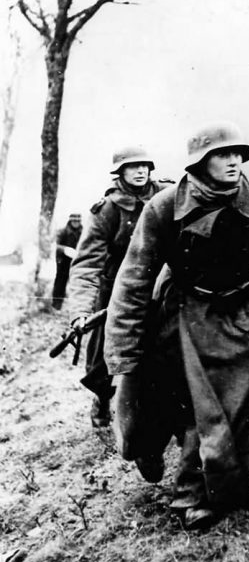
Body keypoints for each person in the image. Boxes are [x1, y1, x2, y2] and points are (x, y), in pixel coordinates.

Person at [104, 121, 249, 530]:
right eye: (223, 154)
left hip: (241, 316)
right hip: (183, 313)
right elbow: (134, 279)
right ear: (200, 162)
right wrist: (124, 349)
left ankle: (206, 491)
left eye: (238, 153)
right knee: (169, 409)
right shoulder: (164, 207)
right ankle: (166, 465)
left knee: (230, 411)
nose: (234, 161)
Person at [68, 146, 173, 428]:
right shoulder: (108, 210)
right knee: (104, 357)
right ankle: (102, 397)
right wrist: (81, 311)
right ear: (120, 172)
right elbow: (87, 264)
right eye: (133, 166)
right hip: (117, 291)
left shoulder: (168, 196)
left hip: (162, 284)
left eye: (145, 166)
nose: (140, 171)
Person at [52, 213, 83, 309]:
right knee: (61, 282)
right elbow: (56, 245)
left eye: (78, 221)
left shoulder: (83, 232)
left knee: (79, 283)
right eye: (74, 221)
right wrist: (65, 249)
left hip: (77, 260)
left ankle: (78, 308)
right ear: (70, 221)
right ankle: (56, 304)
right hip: (64, 261)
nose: (76, 223)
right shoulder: (63, 231)